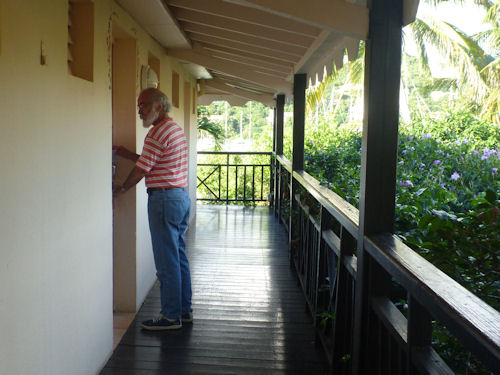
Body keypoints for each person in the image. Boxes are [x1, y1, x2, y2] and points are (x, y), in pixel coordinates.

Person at [113, 88, 192, 331]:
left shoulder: (157, 133)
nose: (139, 110)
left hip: (164, 201)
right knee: (178, 257)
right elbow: (153, 160)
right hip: (179, 198)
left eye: (144, 105)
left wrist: (123, 188)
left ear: (159, 107)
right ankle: (183, 310)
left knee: (166, 262)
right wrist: (127, 154)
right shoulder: (173, 129)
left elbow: (142, 170)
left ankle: (170, 317)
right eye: (139, 105)